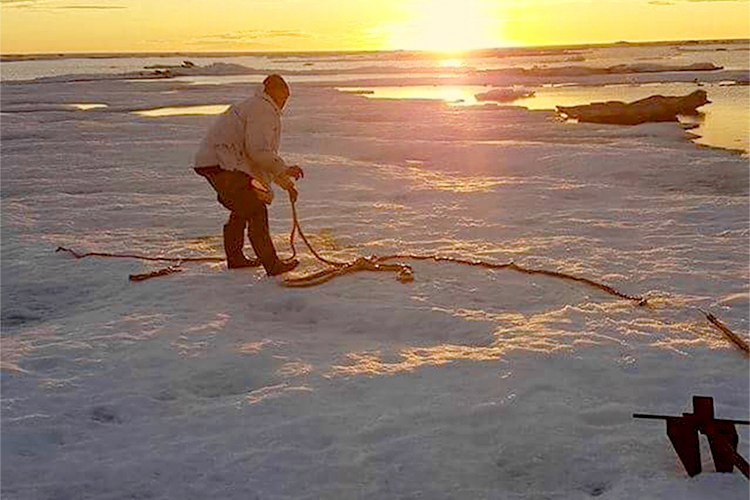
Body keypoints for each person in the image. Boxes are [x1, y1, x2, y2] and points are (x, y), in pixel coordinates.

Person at [193, 74, 303, 276]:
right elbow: (258, 152)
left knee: (243, 206)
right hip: (221, 162)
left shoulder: (257, 106)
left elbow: (257, 160)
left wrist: (286, 183)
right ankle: (272, 265)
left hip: (216, 162)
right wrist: (285, 169)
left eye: (287, 96)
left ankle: (235, 258)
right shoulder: (263, 109)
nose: (285, 100)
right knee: (255, 209)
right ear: (272, 92)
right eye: (283, 95)